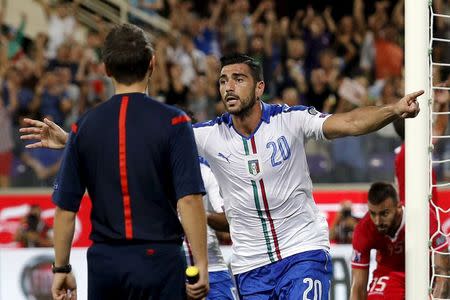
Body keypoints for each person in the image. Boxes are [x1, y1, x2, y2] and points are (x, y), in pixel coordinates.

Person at [21, 53, 422, 299]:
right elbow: (138, 135)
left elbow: (350, 122)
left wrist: (394, 109)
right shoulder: (206, 135)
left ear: (259, 86)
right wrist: (72, 140)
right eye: (223, 80)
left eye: (238, 79)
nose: (228, 87)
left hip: (303, 251)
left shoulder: (291, 121)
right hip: (249, 267)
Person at [29, 24, 209, 300]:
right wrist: (201, 265)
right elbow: (189, 201)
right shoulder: (175, 121)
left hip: (105, 265)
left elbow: (66, 210)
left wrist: (61, 268)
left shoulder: (83, 127)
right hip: (160, 262)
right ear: (152, 64)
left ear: (106, 68)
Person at [350, 182, 449, 299]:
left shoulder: (424, 218)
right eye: (373, 213)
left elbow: (444, 272)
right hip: (388, 273)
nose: (377, 221)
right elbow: (358, 286)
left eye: (384, 213)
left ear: (398, 206)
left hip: (423, 274)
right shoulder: (364, 229)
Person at [183, 157, 237, 300]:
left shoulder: (203, 169)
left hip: (214, 269)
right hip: (171, 271)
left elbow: (228, 220)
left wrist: (199, 214)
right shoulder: (151, 169)